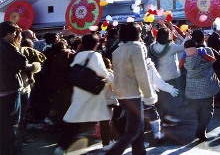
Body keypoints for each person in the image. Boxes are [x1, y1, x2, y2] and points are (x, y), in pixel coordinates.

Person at [53, 33, 113, 155]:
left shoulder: (78, 55)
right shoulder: (95, 55)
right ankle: (107, 144)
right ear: (96, 44)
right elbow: (102, 72)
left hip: (80, 92)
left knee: (73, 121)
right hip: (94, 93)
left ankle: (61, 147)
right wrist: (110, 78)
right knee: (103, 118)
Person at [106, 22, 155, 155]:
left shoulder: (117, 50)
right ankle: (113, 152)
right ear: (136, 34)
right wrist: (149, 94)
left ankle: (139, 152)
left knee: (135, 129)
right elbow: (141, 73)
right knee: (135, 129)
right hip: (132, 93)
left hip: (121, 93)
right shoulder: (136, 48)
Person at [0, 21, 41, 155]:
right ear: (9, 33)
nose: (16, 36)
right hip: (10, 91)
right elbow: (23, 63)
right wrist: (35, 66)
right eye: (15, 33)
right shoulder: (6, 46)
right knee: (11, 125)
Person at [182, 39, 220, 141]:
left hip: (193, 90)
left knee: (199, 110)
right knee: (208, 111)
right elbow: (214, 60)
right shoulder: (205, 53)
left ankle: (202, 130)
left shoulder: (185, 58)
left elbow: (180, 66)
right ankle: (201, 130)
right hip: (206, 88)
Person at [149, 26, 185, 125]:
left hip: (159, 77)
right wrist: (187, 36)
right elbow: (184, 46)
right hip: (172, 76)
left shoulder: (152, 46)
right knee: (175, 98)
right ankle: (169, 118)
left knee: (163, 99)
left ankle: (164, 117)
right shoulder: (171, 47)